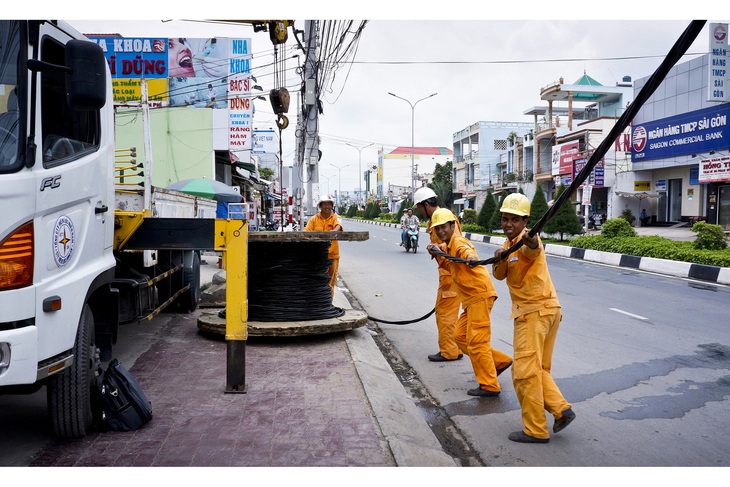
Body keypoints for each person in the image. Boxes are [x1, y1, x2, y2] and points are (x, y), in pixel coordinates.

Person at [492, 193, 575, 444]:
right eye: (505, 218)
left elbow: (533, 248)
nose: (508, 224)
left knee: (524, 373)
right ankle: (561, 410)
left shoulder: (527, 240)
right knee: (538, 369)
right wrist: (499, 257)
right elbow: (499, 275)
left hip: (534, 314)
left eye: (515, 220)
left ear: (526, 221)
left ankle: (536, 430)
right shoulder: (508, 246)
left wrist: (530, 242)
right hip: (548, 311)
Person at [426, 208, 512, 397]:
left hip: (479, 296)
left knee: (477, 341)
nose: (440, 232)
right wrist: (438, 253)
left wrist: (471, 259)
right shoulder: (447, 246)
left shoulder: (458, 242)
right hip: (471, 300)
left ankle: (489, 384)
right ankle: (499, 362)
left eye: (444, 227)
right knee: (460, 336)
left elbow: (466, 252)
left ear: (453, 226)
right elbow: (450, 266)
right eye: (437, 229)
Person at [413, 187, 462, 363]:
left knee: (445, 314)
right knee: (448, 313)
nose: (419, 211)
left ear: (426, 205)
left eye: (419, 207)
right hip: (448, 273)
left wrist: (436, 249)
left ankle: (449, 351)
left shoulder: (443, 217)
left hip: (451, 274)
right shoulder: (438, 218)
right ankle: (455, 348)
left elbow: (455, 243)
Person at [305, 195, 343, 296]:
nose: (327, 206)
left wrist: (332, 232)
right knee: (316, 281)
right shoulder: (313, 220)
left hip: (332, 256)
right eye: (325, 204)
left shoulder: (336, 218)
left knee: (330, 282)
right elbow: (306, 233)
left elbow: (338, 227)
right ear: (320, 206)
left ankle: (328, 306)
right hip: (317, 256)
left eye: (329, 204)